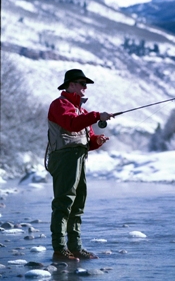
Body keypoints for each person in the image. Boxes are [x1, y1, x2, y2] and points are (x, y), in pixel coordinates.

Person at [47, 69, 113, 261]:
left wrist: (97, 141)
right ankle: (60, 248)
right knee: (64, 202)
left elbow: (87, 139)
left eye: (86, 84)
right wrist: (97, 116)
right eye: (82, 83)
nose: (85, 87)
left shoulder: (81, 111)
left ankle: (75, 247)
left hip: (79, 157)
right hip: (64, 158)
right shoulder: (59, 104)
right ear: (71, 85)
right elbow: (71, 124)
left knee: (78, 202)